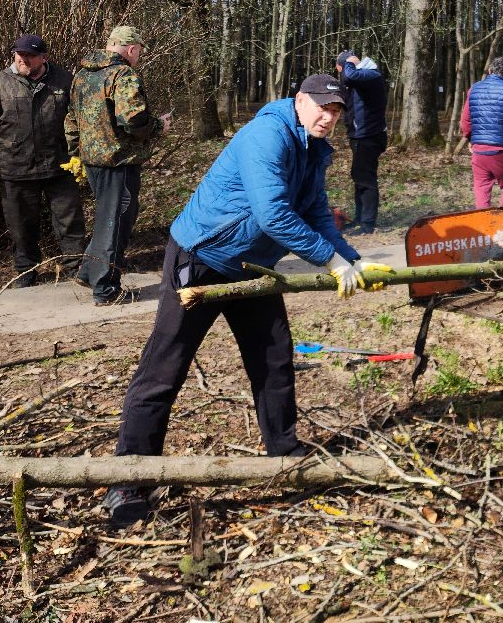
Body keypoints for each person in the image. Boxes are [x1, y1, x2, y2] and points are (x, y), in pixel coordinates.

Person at [103, 77, 379, 526]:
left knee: (273, 360)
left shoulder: (314, 148)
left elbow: (314, 211)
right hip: (201, 258)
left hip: (253, 268)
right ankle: (128, 481)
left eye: (337, 111)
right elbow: (273, 214)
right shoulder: (266, 135)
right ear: (300, 101)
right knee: (164, 369)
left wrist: (353, 259)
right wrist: (330, 261)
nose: (329, 118)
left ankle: (285, 458)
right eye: (322, 107)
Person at [0, 34, 86, 288]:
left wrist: (83, 153)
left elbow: (80, 119)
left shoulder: (63, 79)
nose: (24, 60)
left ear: (44, 57)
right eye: (19, 55)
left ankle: (75, 267)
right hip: (16, 166)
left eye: (30, 56)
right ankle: (26, 270)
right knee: (20, 225)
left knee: (70, 221)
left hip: (60, 164)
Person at [66, 25, 171, 306]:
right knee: (116, 223)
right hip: (118, 162)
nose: (138, 57)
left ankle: (89, 272)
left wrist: (76, 152)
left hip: (93, 161)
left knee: (105, 218)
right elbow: (133, 119)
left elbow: (72, 119)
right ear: (132, 49)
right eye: (139, 52)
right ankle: (106, 289)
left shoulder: (83, 74)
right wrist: (159, 125)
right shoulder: (123, 74)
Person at [459, 57, 503, 209]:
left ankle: (483, 226)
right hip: (502, 151)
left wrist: (471, 139)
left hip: (478, 152)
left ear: (490, 71)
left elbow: (465, 121)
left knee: (481, 188)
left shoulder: (473, 89)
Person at [336, 50, 389, 234]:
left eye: (341, 70)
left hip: (369, 136)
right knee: (359, 175)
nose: (342, 76)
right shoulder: (360, 79)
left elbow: (349, 77)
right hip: (360, 136)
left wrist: (349, 63)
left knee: (365, 178)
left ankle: (367, 223)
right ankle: (360, 218)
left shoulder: (370, 74)